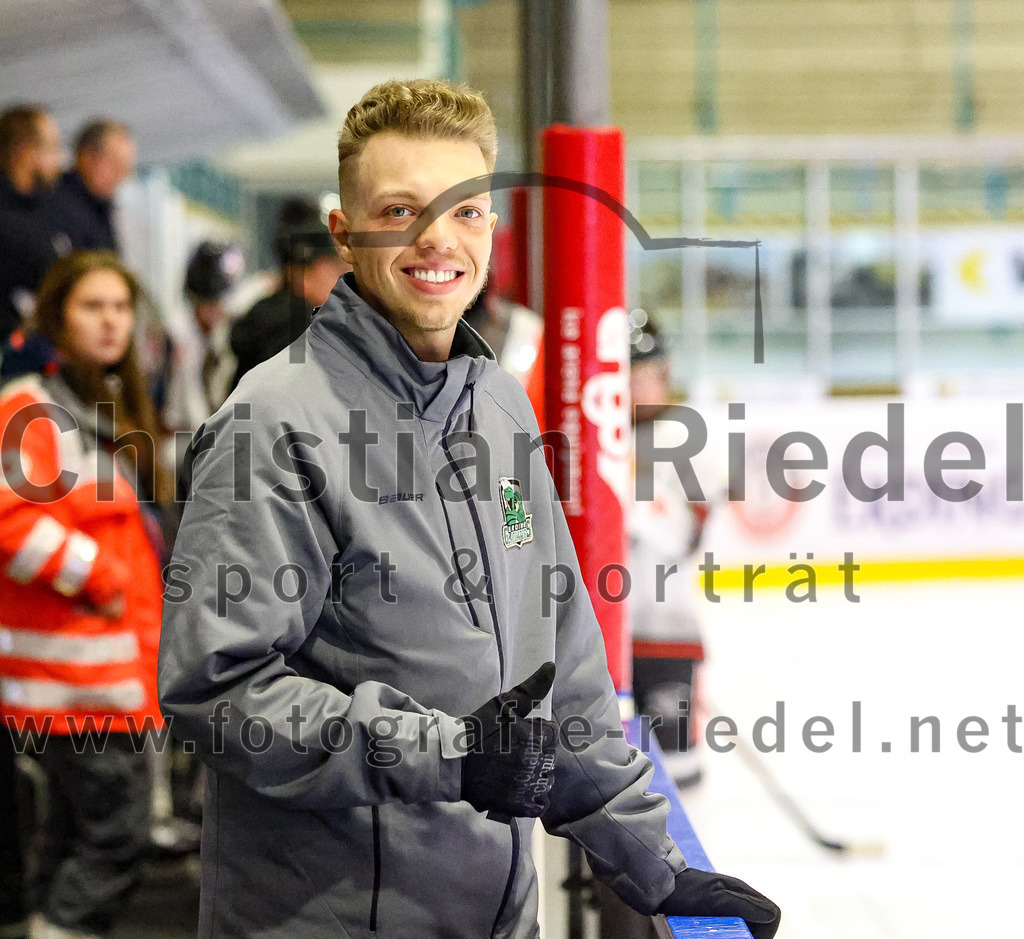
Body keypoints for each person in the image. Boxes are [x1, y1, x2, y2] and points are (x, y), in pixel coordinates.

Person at [158, 79, 780, 938]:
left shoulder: (496, 404)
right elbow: (219, 694)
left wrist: (654, 865)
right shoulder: (274, 423)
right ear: (345, 232)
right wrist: (449, 754)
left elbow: (561, 658)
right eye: (400, 209)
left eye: (467, 212)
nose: (437, 240)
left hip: (493, 916)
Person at [0, 251, 169, 939]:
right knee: (114, 843)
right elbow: (9, 518)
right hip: (73, 681)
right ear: (55, 318)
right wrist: (98, 573)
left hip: (102, 673)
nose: (110, 321)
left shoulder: (108, 404)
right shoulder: (28, 407)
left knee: (69, 843)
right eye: (92, 306)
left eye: (121, 307)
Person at [629, 314, 718, 790]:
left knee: (676, 777)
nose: (633, 385)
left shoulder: (687, 438)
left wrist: (630, 491)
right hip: (597, 636)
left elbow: (685, 534)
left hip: (666, 634)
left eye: (643, 373)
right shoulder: (590, 437)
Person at [228, 197, 348, 390]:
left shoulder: (268, 314)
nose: (342, 278)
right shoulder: (293, 324)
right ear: (301, 274)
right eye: (334, 269)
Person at [0, 105, 65, 348]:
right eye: (52, 148)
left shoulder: (44, 207)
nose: (60, 158)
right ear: (24, 151)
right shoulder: (9, 222)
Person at [164, 241, 244, 435]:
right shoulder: (178, 332)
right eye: (208, 304)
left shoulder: (221, 330)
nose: (215, 311)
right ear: (194, 300)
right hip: (177, 431)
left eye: (218, 302)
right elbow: (190, 392)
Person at [45, 119, 135, 254]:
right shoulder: (53, 205)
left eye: (126, 166)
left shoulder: (101, 207)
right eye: (115, 163)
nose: (122, 174)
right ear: (88, 156)